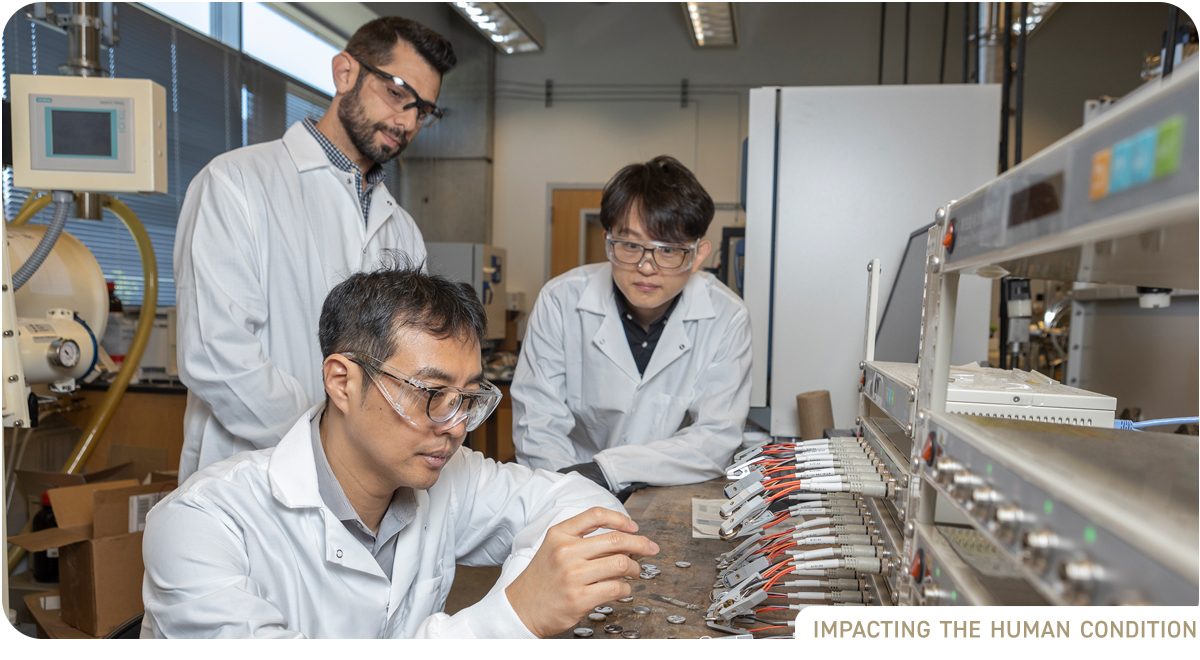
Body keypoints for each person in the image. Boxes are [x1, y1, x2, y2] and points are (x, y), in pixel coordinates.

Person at [141, 260, 659, 638]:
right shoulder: (201, 524)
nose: (455, 425)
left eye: (468, 398)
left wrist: (537, 577)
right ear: (342, 382)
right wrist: (512, 615)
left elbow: (587, 506)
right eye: (432, 395)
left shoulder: (444, 476)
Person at [174, 17, 454, 481]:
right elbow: (216, 354)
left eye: (423, 110)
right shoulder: (236, 183)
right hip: (250, 481)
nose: (407, 121)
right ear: (345, 73)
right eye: (397, 93)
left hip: (364, 487)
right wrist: (330, 452)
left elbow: (405, 369)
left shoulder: (402, 229)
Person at [512, 155, 753, 500]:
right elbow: (537, 424)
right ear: (608, 241)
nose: (646, 266)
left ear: (698, 255)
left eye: (667, 250)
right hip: (564, 487)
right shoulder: (561, 300)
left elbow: (715, 438)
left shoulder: (727, 317)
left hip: (666, 494)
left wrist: (607, 470)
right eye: (630, 245)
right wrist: (568, 492)